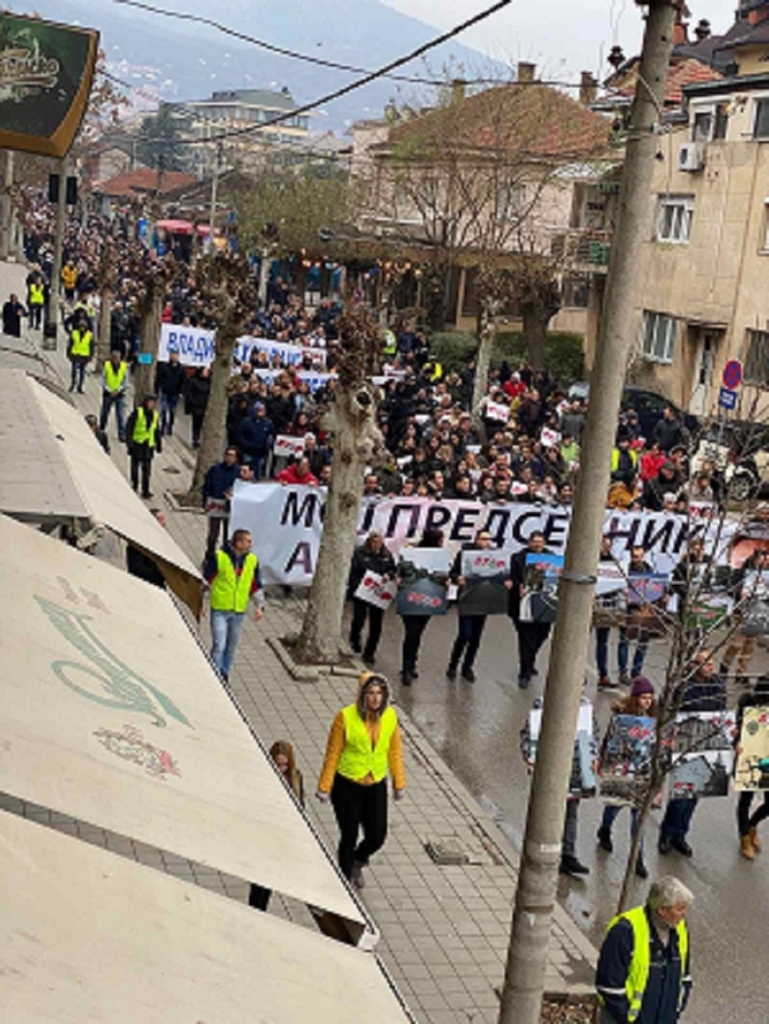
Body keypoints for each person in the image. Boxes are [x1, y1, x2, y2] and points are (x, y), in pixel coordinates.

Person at [317, 671, 405, 888]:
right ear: (362, 695)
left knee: (377, 835)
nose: (375, 698)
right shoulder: (345, 717)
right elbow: (333, 752)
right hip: (348, 784)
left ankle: (358, 859)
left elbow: (394, 751)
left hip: (375, 783)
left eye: (379, 693)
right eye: (371, 693)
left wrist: (399, 782)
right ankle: (344, 882)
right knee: (349, 835)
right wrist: (324, 786)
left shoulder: (391, 716)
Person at [596, 876, 693, 1024]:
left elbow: (684, 975)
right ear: (661, 909)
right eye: (679, 909)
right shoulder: (625, 931)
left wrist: (677, 1009)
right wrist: (627, 1019)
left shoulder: (679, 928)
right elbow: (609, 986)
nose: (684, 913)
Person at [521, 689, 598, 877]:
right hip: (550, 768)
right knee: (548, 809)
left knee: (571, 812)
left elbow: (592, 735)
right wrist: (529, 755)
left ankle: (568, 855)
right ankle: (542, 847)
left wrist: (594, 757)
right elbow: (529, 733)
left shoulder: (585, 708)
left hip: (576, 768)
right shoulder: (543, 703)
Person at [658, 650, 726, 858]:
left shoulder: (717, 685)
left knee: (695, 793)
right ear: (694, 665)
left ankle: (681, 833)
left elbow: (721, 712)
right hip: (686, 742)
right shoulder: (684, 685)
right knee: (681, 793)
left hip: (707, 743)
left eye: (712, 663)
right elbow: (668, 709)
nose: (710, 667)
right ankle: (668, 832)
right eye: (706, 663)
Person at [597, 676, 657, 880]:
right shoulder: (622, 718)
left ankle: (637, 856)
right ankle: (604, 829)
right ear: (635, 698)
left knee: (638, 816)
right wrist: (603, 761)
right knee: (614, 806)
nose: (647, 701)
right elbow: (609, 740)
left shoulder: (655, 719)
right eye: (643, 697)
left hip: (643, 772)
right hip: (622, 770)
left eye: (650, 697)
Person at [249, 741, 304, 910]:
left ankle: (259, 911)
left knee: (268, 883)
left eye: (285, 765)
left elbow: (301, 808)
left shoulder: (296, 778)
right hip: (263, 837)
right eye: (277, 764)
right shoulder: (262, 779)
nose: (281, 769)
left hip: (280, 840)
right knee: (258, 884)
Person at [205, 528, 264, 682]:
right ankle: (216, 676)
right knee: (219, 645)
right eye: (248, 541)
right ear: (238, 543)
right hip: (220, 609)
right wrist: (199, 604)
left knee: (231, 647)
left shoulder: (252, 561)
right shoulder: (219, 558)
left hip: (238, 612)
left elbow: (255, 585)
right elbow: (205, 580)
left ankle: (224, 672)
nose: (251, 544)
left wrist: (260, 606)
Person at [446, 528, 499, 683]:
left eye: (488, 539)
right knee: (465, 634)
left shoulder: (493, 557)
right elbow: (453, 573)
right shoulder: (465, 554)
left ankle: (467, 667)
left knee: (476, 637)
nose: (486, 542)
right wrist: (458, 578)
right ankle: (453, 665)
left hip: (482, 600)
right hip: (467, 598)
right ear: (476, 539)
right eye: (483, 539)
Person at [397, 528, 448, 685]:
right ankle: (406, 668)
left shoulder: (441, 556)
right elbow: (401, 569)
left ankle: (412, 663)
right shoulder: (413, 553)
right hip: (411, 597)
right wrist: (399, 578)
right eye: (440, 539)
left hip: (428, 598)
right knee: (412, 633)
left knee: (417, 633)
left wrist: (446, 581)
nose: (442, 542)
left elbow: (444, 574)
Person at [509, 531, 552, 688]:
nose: (538, 545)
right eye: (535, 542)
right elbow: (512, 577)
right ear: (529, 543)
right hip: (522, 604)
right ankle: (524, 672)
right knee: (526, 638)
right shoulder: (518, 558)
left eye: (540, 542)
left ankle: (530, 661)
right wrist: (517, 587)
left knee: (542, 635)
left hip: (544, 605)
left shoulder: (551, 558)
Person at [347, 531, 397, 665]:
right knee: (359, 619)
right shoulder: (359, 553)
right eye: (374, 542)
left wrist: (389, 574)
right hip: (362, 592)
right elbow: (353, 572)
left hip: (378, 594)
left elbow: (393, 569)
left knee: (376, 625)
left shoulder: (386, 555)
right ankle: (354, 639)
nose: (377, 545)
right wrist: (357, 586)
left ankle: (370, 652)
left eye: (379, 542)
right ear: (369, 542)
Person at [735, 676, 769, 860]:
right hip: (750, 754)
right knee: (746, 797)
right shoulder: (748, 704)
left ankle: (751, 824)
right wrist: (737, 742)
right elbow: (740, 727)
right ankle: (744, 836)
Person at [202, 447, 241, 557]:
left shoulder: (238, 472)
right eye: (228, 455)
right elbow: (207, 486)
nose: (229, 458)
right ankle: (209, 555)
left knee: (227, 535)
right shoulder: (215, 469)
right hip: (215, 503)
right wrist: (205, 501)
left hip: (230, 505)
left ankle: (225, 556)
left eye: (232, 456)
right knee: (213, 534)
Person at [125, 395, 162, 499]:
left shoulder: (155, 415)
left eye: (153, 403)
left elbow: (156, 430)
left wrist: (159, 444)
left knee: (147, 469)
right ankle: (134, 485)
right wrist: (129, 442)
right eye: (150, 402)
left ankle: (145, 490)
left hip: (148, 446)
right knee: (135, 466)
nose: (152, 405)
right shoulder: (138, 412)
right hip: (137, 443)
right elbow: (129, 427)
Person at [126, 508, 167, 587]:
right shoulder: (138, 543)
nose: (164, 523)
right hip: (143, 586)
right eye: (160, 519)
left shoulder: (161, 542)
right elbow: (137, 569)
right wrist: (161, 573)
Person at [238, 401, 274, 479]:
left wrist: (268, 444)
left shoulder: (268, 423)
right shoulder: (246, 422)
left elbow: (271, 435)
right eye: (259, 410)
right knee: (247, 470)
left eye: (263, 410)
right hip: (248, 451)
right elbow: (240, 435)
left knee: (258, 471)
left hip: (261, 452)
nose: (261, 412)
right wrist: (246, 444)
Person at [99, 350, 129, 442]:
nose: (116, 360)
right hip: (108, 393)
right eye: (114, 358)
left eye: (117, 358)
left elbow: (125, 381)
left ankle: (121, 434)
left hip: (120, 394)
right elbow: (103, 379)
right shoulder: (107, 366)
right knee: (104, 412)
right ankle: (101, 429)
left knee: (120, 415)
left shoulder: (124, 367)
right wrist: (108, 389)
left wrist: (118, 390)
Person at [156, 350, 186, 437]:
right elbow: (159, 379)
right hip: (165, 391)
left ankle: (170, 426)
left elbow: (184, 382)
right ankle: (163, 425)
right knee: (164, 409)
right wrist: (158, 388)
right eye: (172, 355)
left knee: (172, 411)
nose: (174, 357)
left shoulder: (181, 369)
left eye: (176, 355)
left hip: (175, 393)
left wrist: (181, 392)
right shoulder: (164, 367)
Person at [67, 313, 93, 393]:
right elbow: (70, 344)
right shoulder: (74, 333)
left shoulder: (89, 335)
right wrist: (68, 353)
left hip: (84, 356)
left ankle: (80, 386)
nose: (82, 328)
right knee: (74, 371)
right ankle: (73, 384)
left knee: (82, 372)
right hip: (75, 354)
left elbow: (91, 347)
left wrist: (90, 356)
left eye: (83, 327)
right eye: (81, 326)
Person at [186, 366, 210, 448]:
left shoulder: (209, 383)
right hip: (196, 405)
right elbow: (190, 393)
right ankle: (195, 438)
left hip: (205, 406)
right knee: (196, 423)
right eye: (205, 372)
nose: (206, 373)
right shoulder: (194, 381)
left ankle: (200, 438)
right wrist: (193, 402)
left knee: (203, 424)